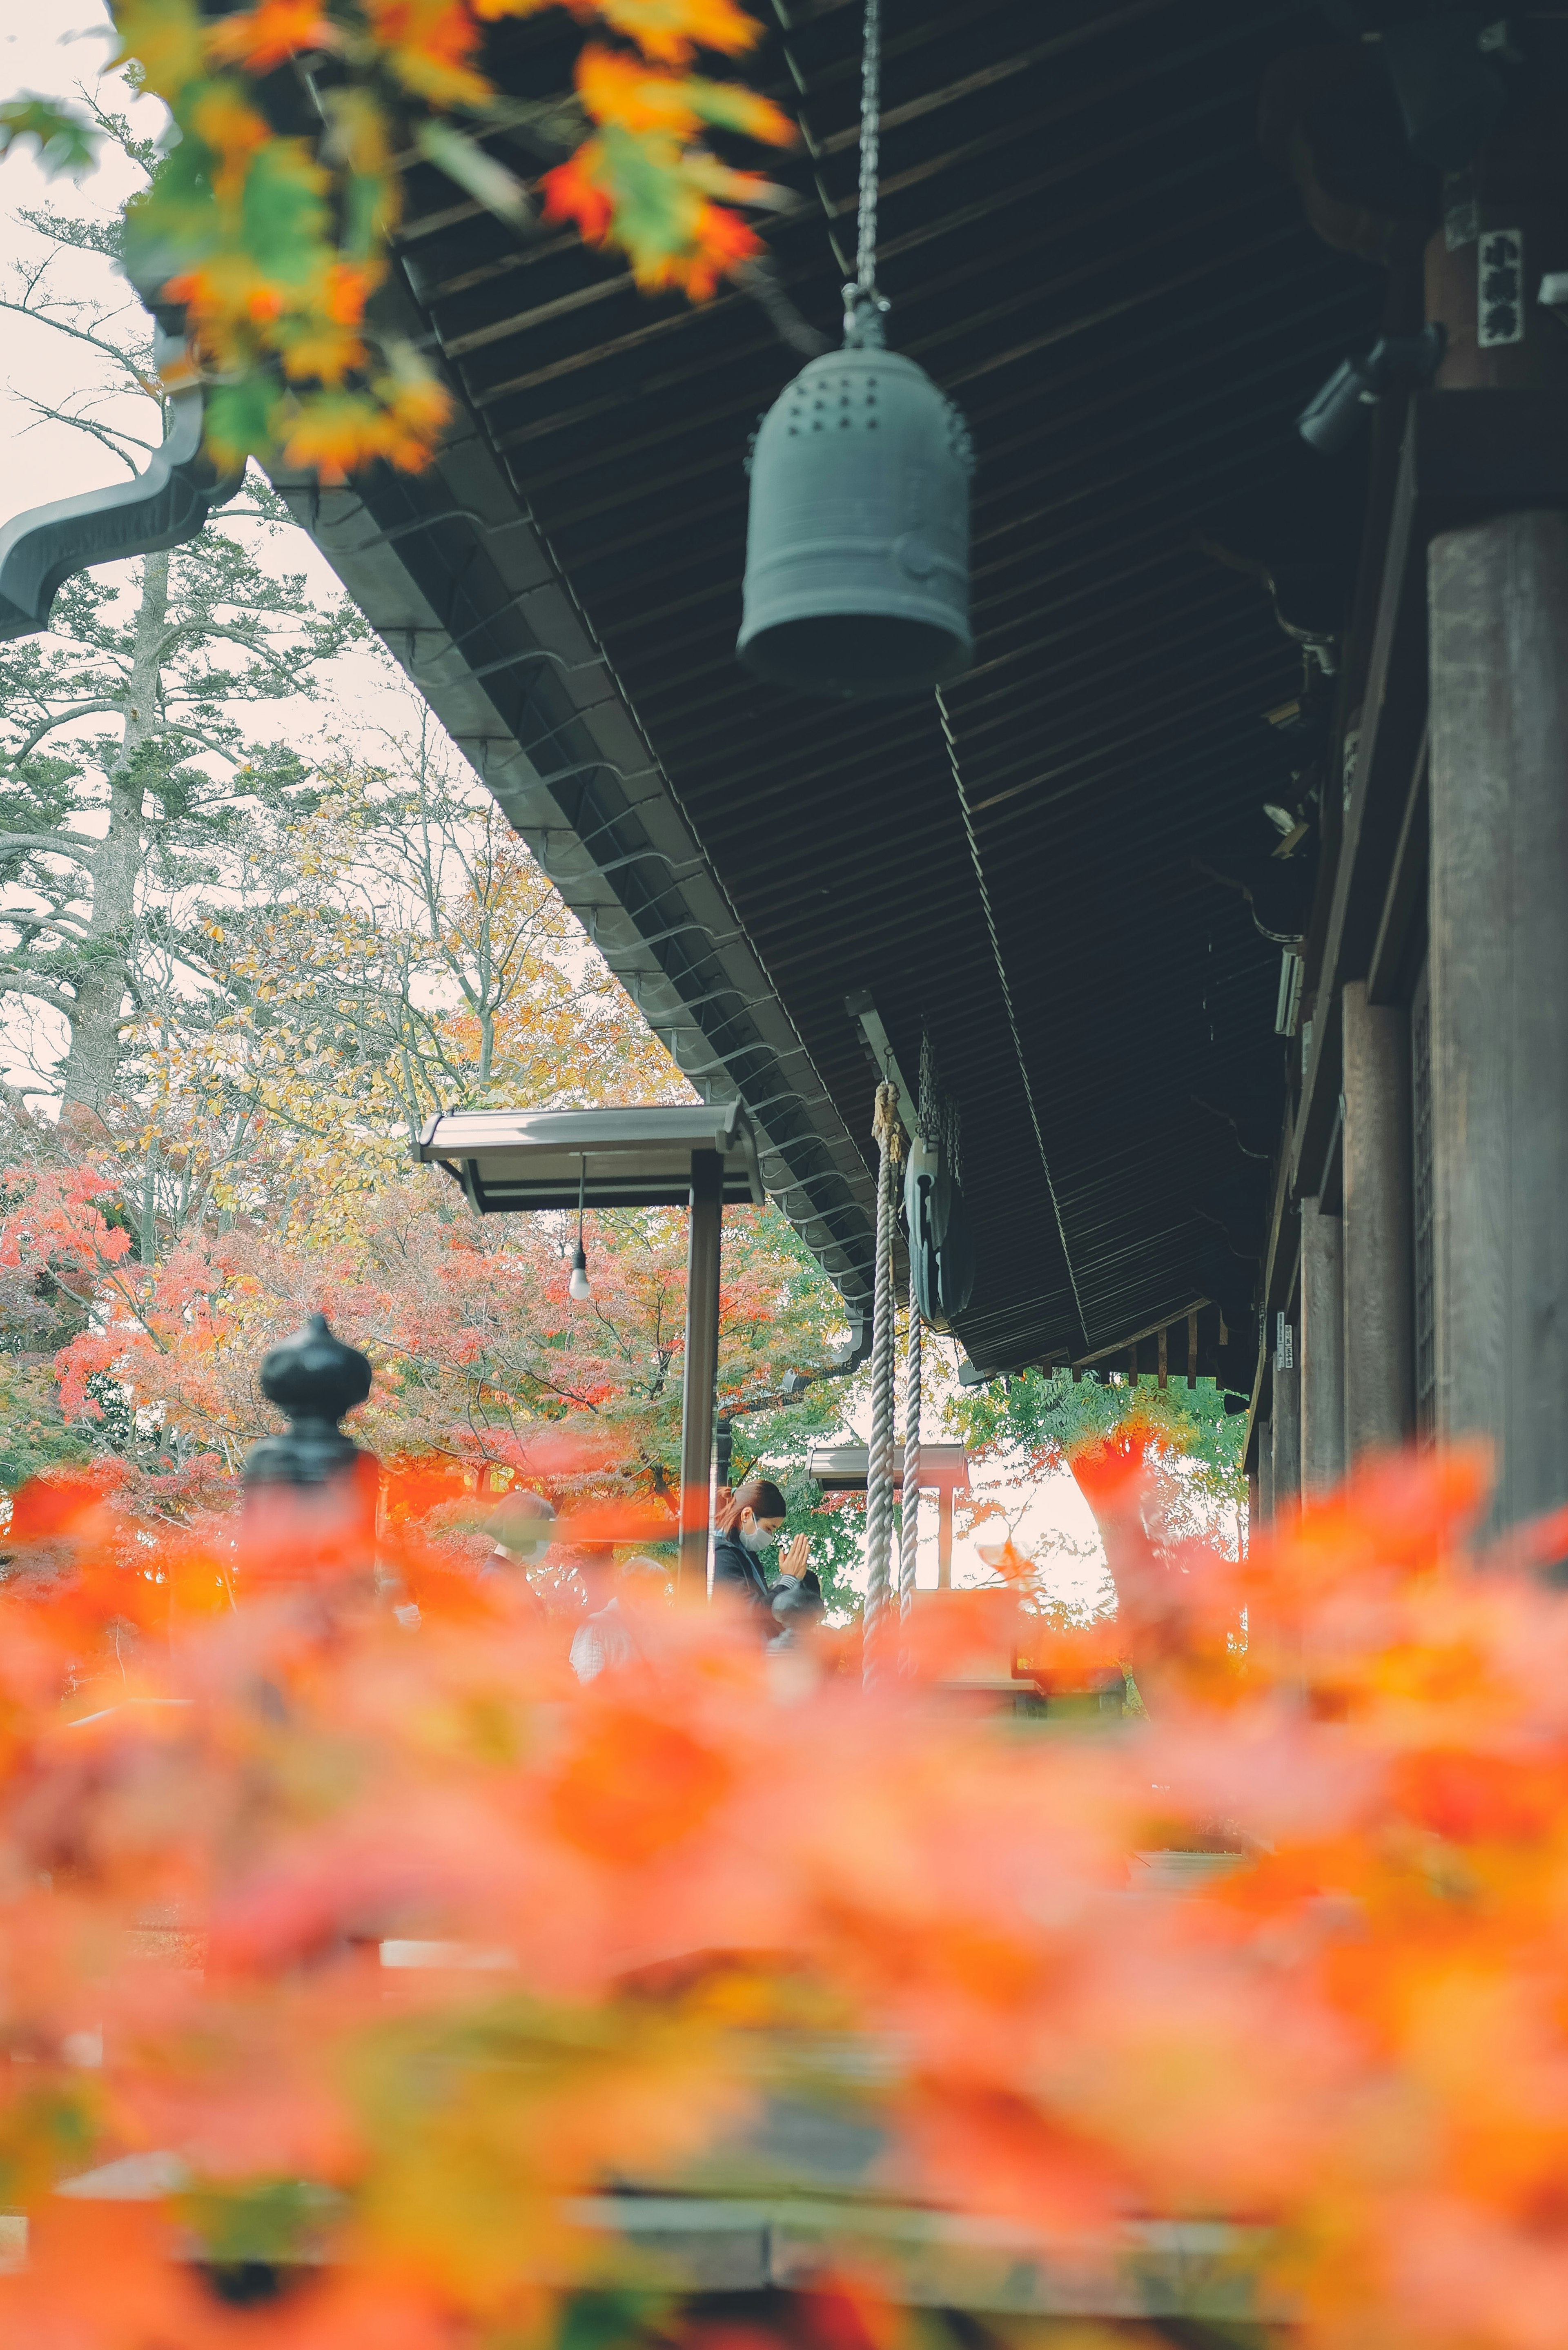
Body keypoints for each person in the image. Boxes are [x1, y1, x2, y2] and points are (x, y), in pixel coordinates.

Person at [711, 1478, 812, 1630]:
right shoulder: (722, 1555)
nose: (770, 1537)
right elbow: (753, 1614)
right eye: (769, 1528)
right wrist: (788, 1580)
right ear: (746, 1515)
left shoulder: (744, 1554)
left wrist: (788, 1581)